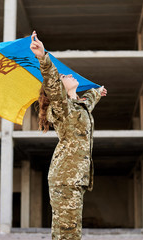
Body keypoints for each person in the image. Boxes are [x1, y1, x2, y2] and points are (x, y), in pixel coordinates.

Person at [30, 30, 107, 240]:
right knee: (68, 234)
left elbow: (87, 103)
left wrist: (96, 93)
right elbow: (53, 83)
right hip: (66, 178)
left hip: (74, 178)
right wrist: (42, 57)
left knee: (67, 231)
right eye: (64, 76)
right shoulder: (62, 108)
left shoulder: (78, 107)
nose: (69, 75)